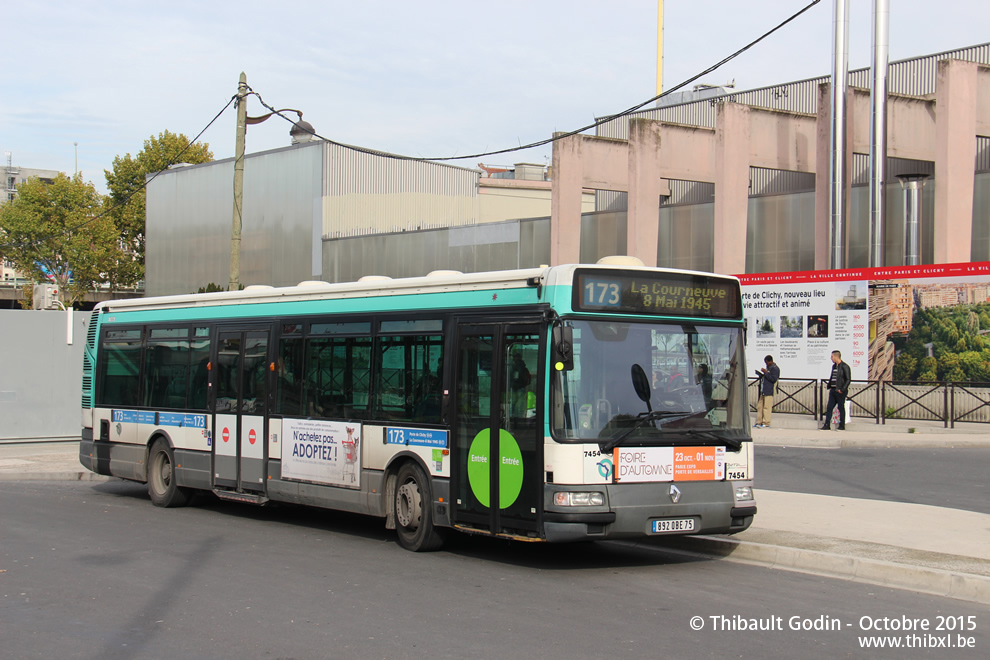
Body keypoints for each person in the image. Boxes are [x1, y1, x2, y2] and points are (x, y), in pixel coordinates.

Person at [821, 350, 852, 430]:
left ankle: (842, 425)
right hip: (833, 390)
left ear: (836, 357)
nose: (831, 358)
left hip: (840, 391)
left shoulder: (845, 366)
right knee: (829, 407)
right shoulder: (834, 366)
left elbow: (848, 379)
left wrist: (842, 389)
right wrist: (830, 385)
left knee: (841, 407)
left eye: (832, 356)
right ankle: (827, 424)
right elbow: (832, 377)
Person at [753, 355, 779, 428]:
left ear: (770, 361)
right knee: (760, 406)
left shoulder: (775, 369)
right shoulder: (768, 368)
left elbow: (773, 379)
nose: (766, 364)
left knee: (767, 407)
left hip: (769, 390)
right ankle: (759, 422)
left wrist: (766, 373)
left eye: (766, 362)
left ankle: (766, 423)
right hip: (763, 389)